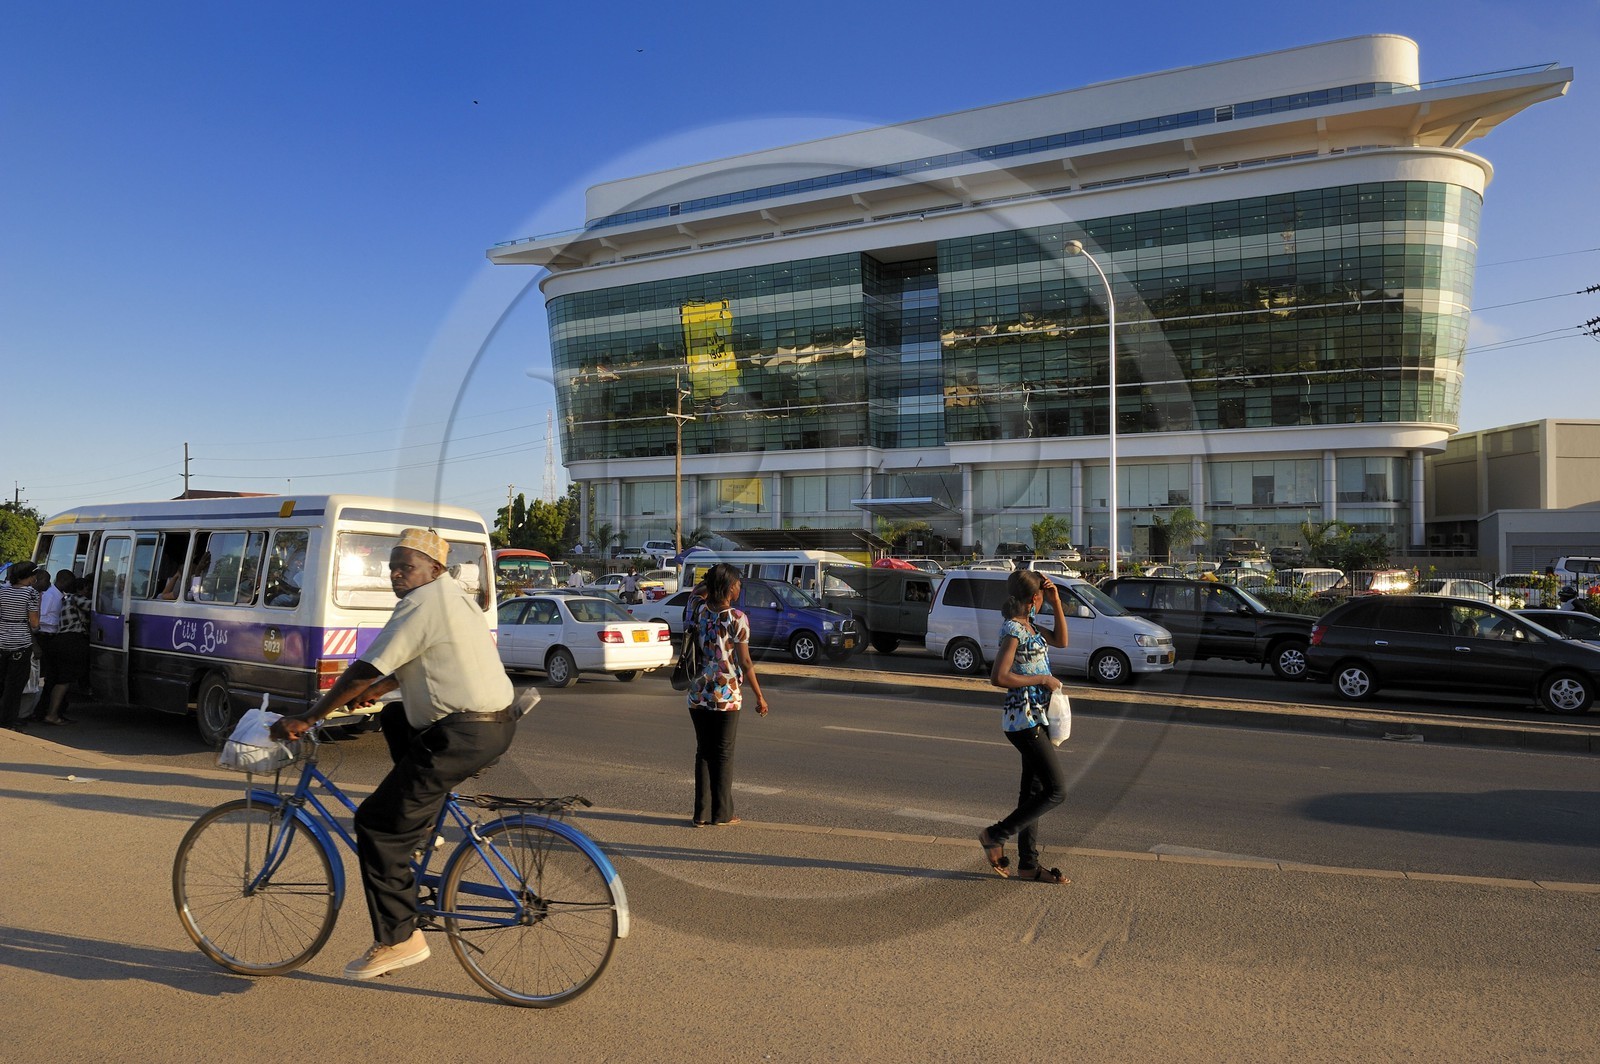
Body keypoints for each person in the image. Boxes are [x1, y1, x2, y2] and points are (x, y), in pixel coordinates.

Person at [270, 528, 517, 981]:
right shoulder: (454, 597)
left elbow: (363, 668)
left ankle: (400, 939)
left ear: (434, 569)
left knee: (374, 825)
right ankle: (421, 827)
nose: (396, 576)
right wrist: (377, 691)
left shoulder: (422, 605)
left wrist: (308, 716)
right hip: (491, 724)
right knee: (397, 718)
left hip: (461, 734)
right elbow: (415, 664)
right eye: (392, 568)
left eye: (406, 568)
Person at [978, 569, 1070, 885]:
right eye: (1044, 598)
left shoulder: (1030, 626)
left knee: (1032, 792)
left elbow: (1062, 640)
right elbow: (999, 677)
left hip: (1039, 717)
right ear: (1034, 599)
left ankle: (1029, 865)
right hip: (1023, 719)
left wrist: (1057, 601)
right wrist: (1042, 679)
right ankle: (995, 834)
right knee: (1056, 790)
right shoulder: (1013, 629)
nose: (1045, 602)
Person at [684, 563, 766, 827]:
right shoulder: (737, 618)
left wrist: (712, 580)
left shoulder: (697, 611)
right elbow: (746, 663)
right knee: (723, 754)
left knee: (703, 752)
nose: (740, 587)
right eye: (737, 582)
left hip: (697, 694)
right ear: (729, 587)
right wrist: (759, 696)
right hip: (726, 695)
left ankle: (701, 814)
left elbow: (697, 591)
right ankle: (722, 814)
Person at [41, 573, 91, 725]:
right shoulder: (77, 599)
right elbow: (98, 607)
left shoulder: (66, 599)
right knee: (64, 680)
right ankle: (52, 714)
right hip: (71, 642)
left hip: (60, 640)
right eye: (88, 589)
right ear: (81, 589)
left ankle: (49, 712)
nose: (88, 593)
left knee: (56, 679)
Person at [0, 561, 42, 731]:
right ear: (30, 575)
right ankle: (7, 722)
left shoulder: (2, 592)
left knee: (1, 682)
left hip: (2, 641)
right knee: (14, 687)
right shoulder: (31, 593)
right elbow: (34, 622)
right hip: (21, 643)